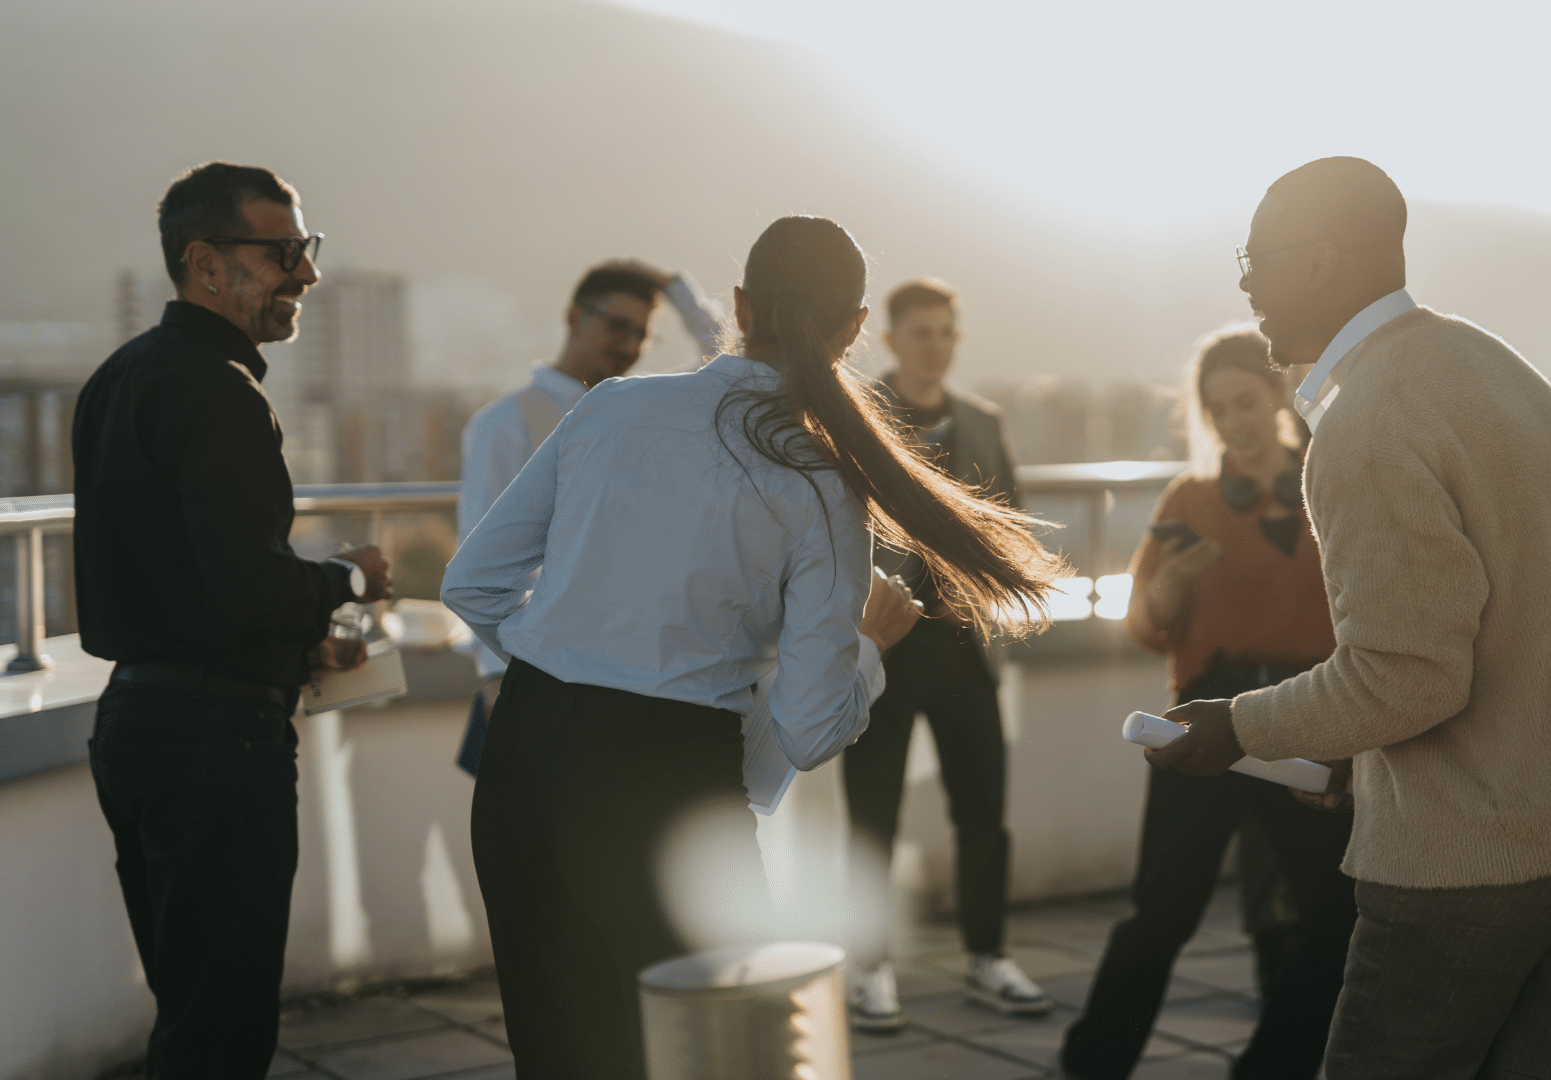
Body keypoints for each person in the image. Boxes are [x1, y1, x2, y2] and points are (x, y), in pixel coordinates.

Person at [440, 215, 1063, 1079]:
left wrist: (565, 660)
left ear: (739, 305)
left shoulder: (610, 407)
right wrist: (868, 648)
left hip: (524, 758)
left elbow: (471, 585)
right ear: (854, 328)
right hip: (667, 787)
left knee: (558, 1055)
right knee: (718, 1058)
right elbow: (808, 731)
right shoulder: (822, 478)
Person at [1147, 157, 1551, 1077]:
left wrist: (1237, 726)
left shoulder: (1366, 423)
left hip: (1493, 847)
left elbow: (1407, 677)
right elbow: (1508, 616)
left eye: (1255, 260)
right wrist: (1351, 749)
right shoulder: (1484, 359)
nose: (1245, 286)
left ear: (1321, 260)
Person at [72, 162, 391, 1080]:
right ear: (206, 264)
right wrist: (350, 577)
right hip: (217, 743)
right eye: (284, 251)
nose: (307, 273)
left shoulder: (117, 378)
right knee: (223, 1028)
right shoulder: (220, 391)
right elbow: (249, 588)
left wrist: (300, 637)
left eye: (306, 248)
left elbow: (179, 583)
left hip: (135, 725)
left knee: (190, 1009)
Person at [1059, 327, 1353, 1080]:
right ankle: (1089, 1068)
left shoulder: (1333, 480)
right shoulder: (1189, 497)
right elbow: (1143, 626)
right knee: (1161, 911)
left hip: (1307, 711)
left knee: (1335, 916)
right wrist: (1174, 582)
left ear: (1279, 395)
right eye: (1217, 409)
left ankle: (1271, 1068)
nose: (1232, 421)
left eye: (1245, 402)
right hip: (1205, 711)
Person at [839, 278, 1050, 1028]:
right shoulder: (855, 416)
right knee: (872, 817)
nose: (936, 345)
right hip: (882, 646)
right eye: (921, 332)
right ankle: (868, 968)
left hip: (965, 648)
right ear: (891, 339)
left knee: (984, 813)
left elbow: (1010, 526)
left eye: (946, 332)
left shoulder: (982, 423)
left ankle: (988, 957)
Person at [453, 258, 726, 775]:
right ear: (574, 317)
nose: (629, 345)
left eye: (642, 334)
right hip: (545, 669)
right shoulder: (504, 423)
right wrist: (494, 673)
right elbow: (479, 550)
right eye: (618, 326)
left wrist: (677, 289)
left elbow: (727, 362)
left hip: (640, 669)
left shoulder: (647, 409)